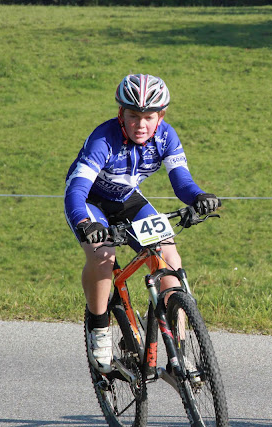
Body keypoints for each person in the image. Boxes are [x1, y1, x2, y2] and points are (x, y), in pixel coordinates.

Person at [64, 74, 220, 373]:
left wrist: (198, 197)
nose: (141, 124)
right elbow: (77, 190)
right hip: (90, 203)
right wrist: (84, 222)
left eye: (149, 117)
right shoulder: (103, 139)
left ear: (161, 116)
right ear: (121, 113)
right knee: (103, 255)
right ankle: (99, 328)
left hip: (127, 199)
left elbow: (181, 181)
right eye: (133, 116)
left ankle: (178, 350)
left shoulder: (166, 136)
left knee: (169, 257)